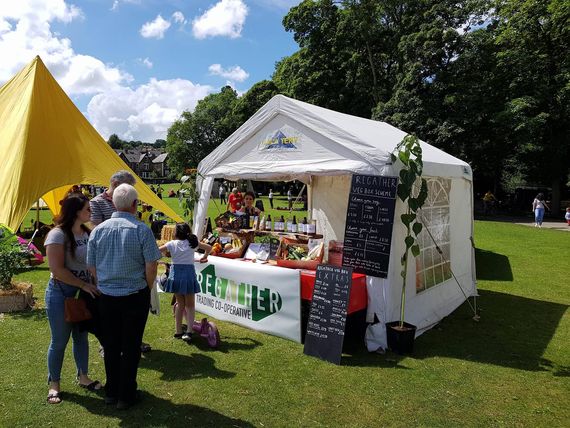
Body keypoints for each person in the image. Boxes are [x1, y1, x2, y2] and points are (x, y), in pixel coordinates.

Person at [87, 184, 161, 410]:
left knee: (111, 345)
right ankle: (126, 394)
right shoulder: (141, 229)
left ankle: (112, 391)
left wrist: (105, 282)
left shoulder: (98, 230)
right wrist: (147, 289)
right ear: (135, 204)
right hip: (133, 295)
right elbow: (152, 265)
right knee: (131, 346)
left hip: (107, 296)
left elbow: (91, 266)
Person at [44, 194, 102, 404]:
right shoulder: (57, 235)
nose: (90, 212)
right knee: (59, 341)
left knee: (81, 338)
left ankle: (83, 377)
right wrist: (83, 285)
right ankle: (54, 384)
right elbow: (57, 270)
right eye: (87, 209)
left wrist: (94, 283)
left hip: (83, 294)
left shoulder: (87, 232)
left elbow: (92, 263)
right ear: (76, 211)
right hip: (61, 294)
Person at [89, 170, 151, 353]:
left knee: (130, 316)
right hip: (109, 260)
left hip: (127, 256)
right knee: (111, 319)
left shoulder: (126, 202)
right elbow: (95, 228)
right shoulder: (97, 203)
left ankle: (132, 342)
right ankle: (107, 345)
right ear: (116, 185)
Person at [158, 223, 211, 342]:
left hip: (175, 275)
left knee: (180, 304)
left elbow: (157, 251)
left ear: (175, 233)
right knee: (190, 305)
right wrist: (204, 257)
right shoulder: (192, 243)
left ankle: (178, 331)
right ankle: (189, 331)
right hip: (188, 276)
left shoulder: (171, 244)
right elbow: (209, 248)